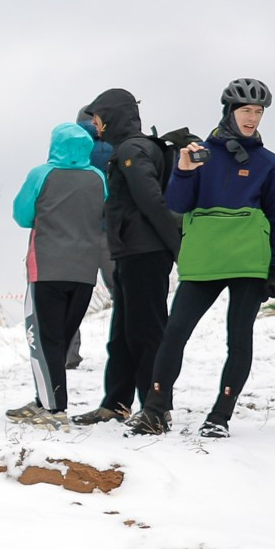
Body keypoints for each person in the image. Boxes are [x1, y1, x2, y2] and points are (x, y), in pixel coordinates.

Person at [136, 78, 275, 439]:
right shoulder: (198, 154)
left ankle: (220, 416)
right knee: (174, 332)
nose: (252, 118)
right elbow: (176, 204)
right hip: (204, 258)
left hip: (250, 261)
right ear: (229, 112)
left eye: (258, 111)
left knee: (239, 339)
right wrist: (183, 170)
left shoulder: (270, 164)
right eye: (246, 110)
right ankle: (155, 410)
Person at [72, 88, 180, 426]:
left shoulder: (133, 151)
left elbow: (151, 201)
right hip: (130, 252)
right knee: (121, 335)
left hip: (145, 254)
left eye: (98, 117)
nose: (95, 124)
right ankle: (116, 403)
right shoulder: (129, 148)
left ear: (113, 116)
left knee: (146, 333)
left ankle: (155, 408)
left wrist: (178, 249)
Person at [9, 122, 105, 423]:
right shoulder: (98, 177)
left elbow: (22, 215)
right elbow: (102, 216)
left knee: (43, 338)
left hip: (47, 266)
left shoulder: (42, 174)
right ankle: (44, 399)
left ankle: (54, 409)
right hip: (86, 268)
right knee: (60, 339)